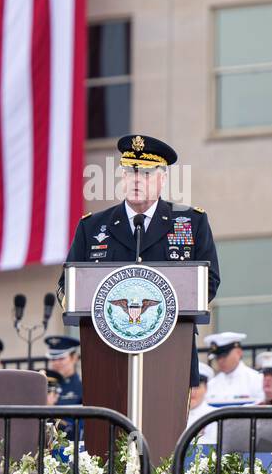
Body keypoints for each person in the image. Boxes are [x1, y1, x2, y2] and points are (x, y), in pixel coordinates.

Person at [59, 134, 220, 385]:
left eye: (146, 174)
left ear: (162, 179)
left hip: (171, 350)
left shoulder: (190, 221)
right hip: (107, 353)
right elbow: (66, 287)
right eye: (130, 173)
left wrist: (154, 320)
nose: (137, 180)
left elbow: (209, 282)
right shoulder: (92, 227)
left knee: (166, 424)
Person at [203, 331, 264, 403]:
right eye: (217, 357)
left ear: (239, 352)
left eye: (224, 356)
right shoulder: (212, 384)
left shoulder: (257, 380)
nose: (220, 361)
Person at [44, 335, 83, 406]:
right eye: (53, 359)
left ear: (74, 358)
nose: (56, 363)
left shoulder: (83, 388)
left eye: (61, 358)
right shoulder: (44, 386)